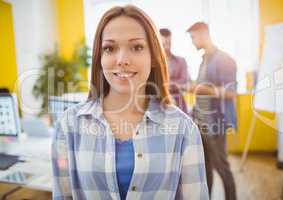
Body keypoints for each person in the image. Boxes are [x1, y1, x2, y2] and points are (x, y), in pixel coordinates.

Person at [52, 5, 208, 200]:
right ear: (100, 57)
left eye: (137, 47)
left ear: (153, 57)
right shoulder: (68, 125)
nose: (122, 59)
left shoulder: (184, 129)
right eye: (110, 48)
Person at [184, 22, 237, 200]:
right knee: (205, 169)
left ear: (203, 33)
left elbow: (231, 93)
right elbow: (201, 89)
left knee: (222, 167)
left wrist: (201, 89)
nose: (192, 42)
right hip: (200, 123)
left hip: (215, 124)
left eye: (193, 37)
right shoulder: (203, 60)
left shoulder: (225, 59)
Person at [159, 28, 189, 114]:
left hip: (179, 104)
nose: (166, 46)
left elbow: (184, 82)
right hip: (160, 104)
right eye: (164, 44)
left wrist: (164, 84)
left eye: (168, 43)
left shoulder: (181, 61)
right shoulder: (153, 63)